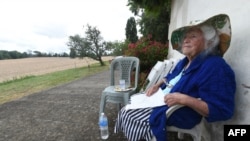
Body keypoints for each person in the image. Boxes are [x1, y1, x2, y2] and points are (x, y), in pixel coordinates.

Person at [114, 14, 236, 141]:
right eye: (185, 37)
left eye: (193, 36)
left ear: (208, 42)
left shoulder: (215, 66)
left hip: (181, 112)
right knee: (129, 103)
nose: (185, 40)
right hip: (162, 100)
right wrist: (157, 85)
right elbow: (170, 77)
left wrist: (184, 99)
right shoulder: (185, 62)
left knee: (130, 114)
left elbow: (222, 109)